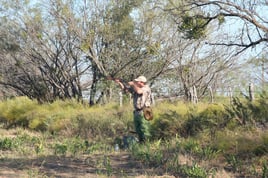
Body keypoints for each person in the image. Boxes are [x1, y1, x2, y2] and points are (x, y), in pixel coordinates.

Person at [115, 75, 152, 143]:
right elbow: (125, 89)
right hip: (137, 111)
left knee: (145, 129)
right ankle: (141, 144)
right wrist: (119, 82)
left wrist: (133, 84)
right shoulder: (136, 88)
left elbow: (139, 92)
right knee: (138, 130)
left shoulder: (146, 88)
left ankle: (147, 144)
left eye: (137, 82)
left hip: (146, 111)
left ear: (141, 82)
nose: (136, 82)